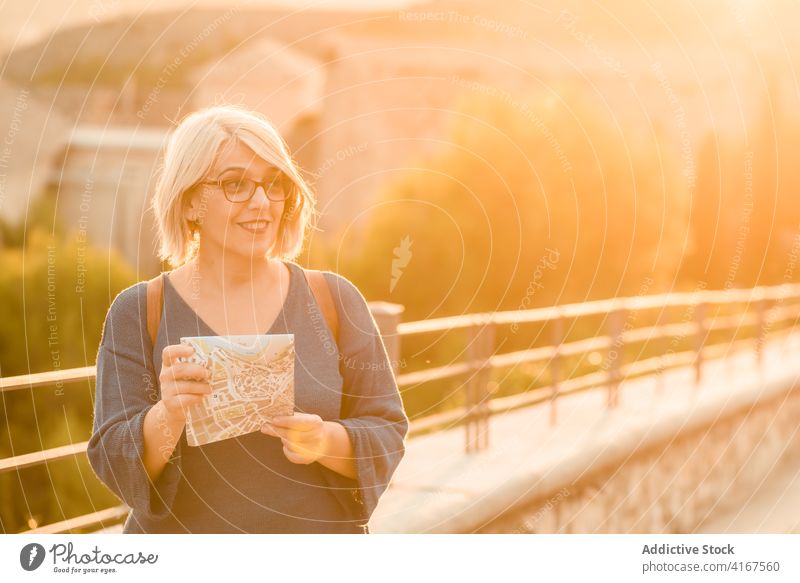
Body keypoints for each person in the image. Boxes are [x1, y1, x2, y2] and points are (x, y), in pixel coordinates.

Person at [87, 105, 408, 533]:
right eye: (236, 184)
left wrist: (324, 440)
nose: (262, 202)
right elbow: (112, 460)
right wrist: (169, 414)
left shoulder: (335, 300)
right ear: (188, 204)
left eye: (274, 184)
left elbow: (387, 429)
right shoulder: (138, 311)